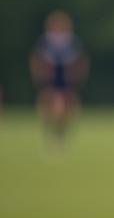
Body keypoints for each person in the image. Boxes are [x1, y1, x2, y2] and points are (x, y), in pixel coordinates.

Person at [29, 10, 89, 145]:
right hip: (51, 75)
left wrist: (78, 75)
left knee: (69, 106)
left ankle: (62, 132)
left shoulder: (72, 40)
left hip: (66, 76)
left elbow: (81, 59)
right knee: (49, 103)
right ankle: (49, 130)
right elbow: (36, 58)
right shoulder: (45, 40)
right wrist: (39, 74)